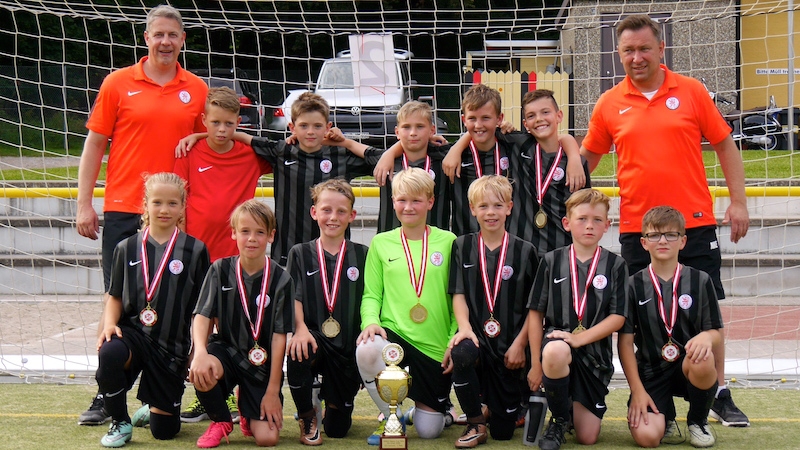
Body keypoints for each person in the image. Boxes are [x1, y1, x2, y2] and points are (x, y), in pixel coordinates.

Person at [579, 13, 750, 427]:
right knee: (642, 317)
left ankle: (717, 393)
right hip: (639, 230)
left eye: (644, 48)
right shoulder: (609, 103)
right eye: (628, 50)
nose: (637, 57)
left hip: (693, 224)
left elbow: (725, 145)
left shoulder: (691, 91)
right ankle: (657, 397)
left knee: (708, 312)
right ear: (619, 54)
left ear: (661, 48)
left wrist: (739, 202)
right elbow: (585, 160)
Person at [75, 4, 207, 425]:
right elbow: (95, 145)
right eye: (158, 34)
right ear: (146, 38)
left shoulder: (197, 89)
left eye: (173, 35)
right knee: (117, 300)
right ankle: (106, 392)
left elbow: (212, 143)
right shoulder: (117, 83)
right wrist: (84, 203)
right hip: (124, 209)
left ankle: (167, 389)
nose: (165, 41)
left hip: (177, 216)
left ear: (183, 39)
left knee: (176, 305)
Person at [180, 92, 383, 266]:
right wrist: (199, 136)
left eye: (317, 126)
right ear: (292, 127)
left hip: (334, 250)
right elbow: (239, 135)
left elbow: (380, 158)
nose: (310, 132)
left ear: (328, 126)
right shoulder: (281, 152)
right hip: (287, 252)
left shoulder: (341, 156)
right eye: (303, 126)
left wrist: (347, 143)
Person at [173, 86, 272, 424]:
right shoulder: (189, 152)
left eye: (229, 123)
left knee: (236, 332)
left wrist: (238, 136)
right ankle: (195, 393)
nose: (221, 130)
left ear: (238, 123)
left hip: (237, 262)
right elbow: (180, 203)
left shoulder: (249, 155)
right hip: (197, 260)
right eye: (214, 123)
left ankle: (236, 396)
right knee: (196, 329)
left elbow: (278, 150)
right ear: (204, 120)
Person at [94, 172, 210, 447]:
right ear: (145, 204)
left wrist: (199, 348)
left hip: (171, 346)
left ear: (182, 206)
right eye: (157, 202)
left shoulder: (195, 250)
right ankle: (120, 421)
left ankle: (154, 407)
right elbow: (114, 296)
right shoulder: (126, 248)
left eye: (172, 203)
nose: (164, 209)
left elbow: (203, 307)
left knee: (164, 432)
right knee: (109, 351)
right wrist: (109, 325)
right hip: (134, 335)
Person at [356, 167, 457, 444]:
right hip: (395, 334)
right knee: (367, 349)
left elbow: (456, 298)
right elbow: (371, 295)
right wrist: (370, 323)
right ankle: (392, 416)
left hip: (434, 346)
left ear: (430, 202)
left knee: (429, 432)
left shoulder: (448, 241)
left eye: (416, 200)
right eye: (402, 200)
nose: (408, 207)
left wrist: (453, 337)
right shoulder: (380, 243)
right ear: (393, 202)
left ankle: (418, 412)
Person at [527, 189, 629, 450]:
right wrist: (536, 364)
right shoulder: (551, 261)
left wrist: (579, 339)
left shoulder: (616, 265)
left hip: (594, 356)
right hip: (557, 348)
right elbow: (535, 313)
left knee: (587, 437)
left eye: (597, 220)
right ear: (566, 223)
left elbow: (618, 317)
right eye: (582, 219)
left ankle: (569, 405)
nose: (589, 225)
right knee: (556, 350)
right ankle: (559, 420)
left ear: (607, 225)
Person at [190, 199, 293, 448]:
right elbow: (202, 315)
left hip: (261, 363)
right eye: (245, 231)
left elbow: (280, 336)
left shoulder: (281, 278)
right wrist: (200, 352)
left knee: (267, 439)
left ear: (271, 236)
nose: (252, 239)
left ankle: (247, 408)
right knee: (202, 368)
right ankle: (221, 420)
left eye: (260, 232)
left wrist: (273, 390)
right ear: (234, 233)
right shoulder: (219, 270)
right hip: (226, 352)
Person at [445, 175, 538, 448]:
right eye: (483, 206)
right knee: (461, 353)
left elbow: (534, 308)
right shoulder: (462, 246)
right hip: (478, 340)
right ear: (472, 209)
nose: (490, 212)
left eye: (498, 205)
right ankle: (475, 422)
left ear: (509, 207)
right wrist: (464, 329)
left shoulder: (525, 251)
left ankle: (495, 408)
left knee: (503, 433)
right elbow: (459, 294)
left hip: (510, 347)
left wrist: (520, 344)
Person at [619, 206, 722, 448]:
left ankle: (697, 420)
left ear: (683, 241)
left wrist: (707, 337)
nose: (663, 241)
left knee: (703, 358)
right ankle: (666, 417)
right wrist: (637, 390)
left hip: (687, 365)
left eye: (671, 235)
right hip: (651, 371)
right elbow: (625, 343)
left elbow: (716, 331)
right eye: (655, 235)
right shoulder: (632, 285)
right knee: (647, 438)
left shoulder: (700, 280)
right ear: (644, 243)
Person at [442, 86, 590, 253]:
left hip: (553, 250)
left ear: (559, 115)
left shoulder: (518, 146)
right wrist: (456, 147)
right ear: (525, 123)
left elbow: (561, 138)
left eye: (545, 112)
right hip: (473, 248)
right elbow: (477, 129)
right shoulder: (451, 157)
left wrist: (574, 156)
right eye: (532, 115)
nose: (539, 119)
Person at [286, 179, 369, 445]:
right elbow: (294, 297)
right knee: (297, 350)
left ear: (352, 216)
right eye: (326, 210)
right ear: (314, 212)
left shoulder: (363, 254)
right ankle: (307, 414)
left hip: (347, 347)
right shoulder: (299, 253)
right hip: (314, 339)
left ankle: (330, 398)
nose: (333, 217)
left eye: (341, 211)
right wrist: (300, 329)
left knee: (337, 429)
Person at [374, 101, 453, 232]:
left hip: (435, 242)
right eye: (406, 127)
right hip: (392, 242)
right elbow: (362, 151)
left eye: (420, 126)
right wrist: (389, 153)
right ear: (397, 132)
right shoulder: (385, 162)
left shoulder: (446, 159)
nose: (413, 133)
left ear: (432, 130)